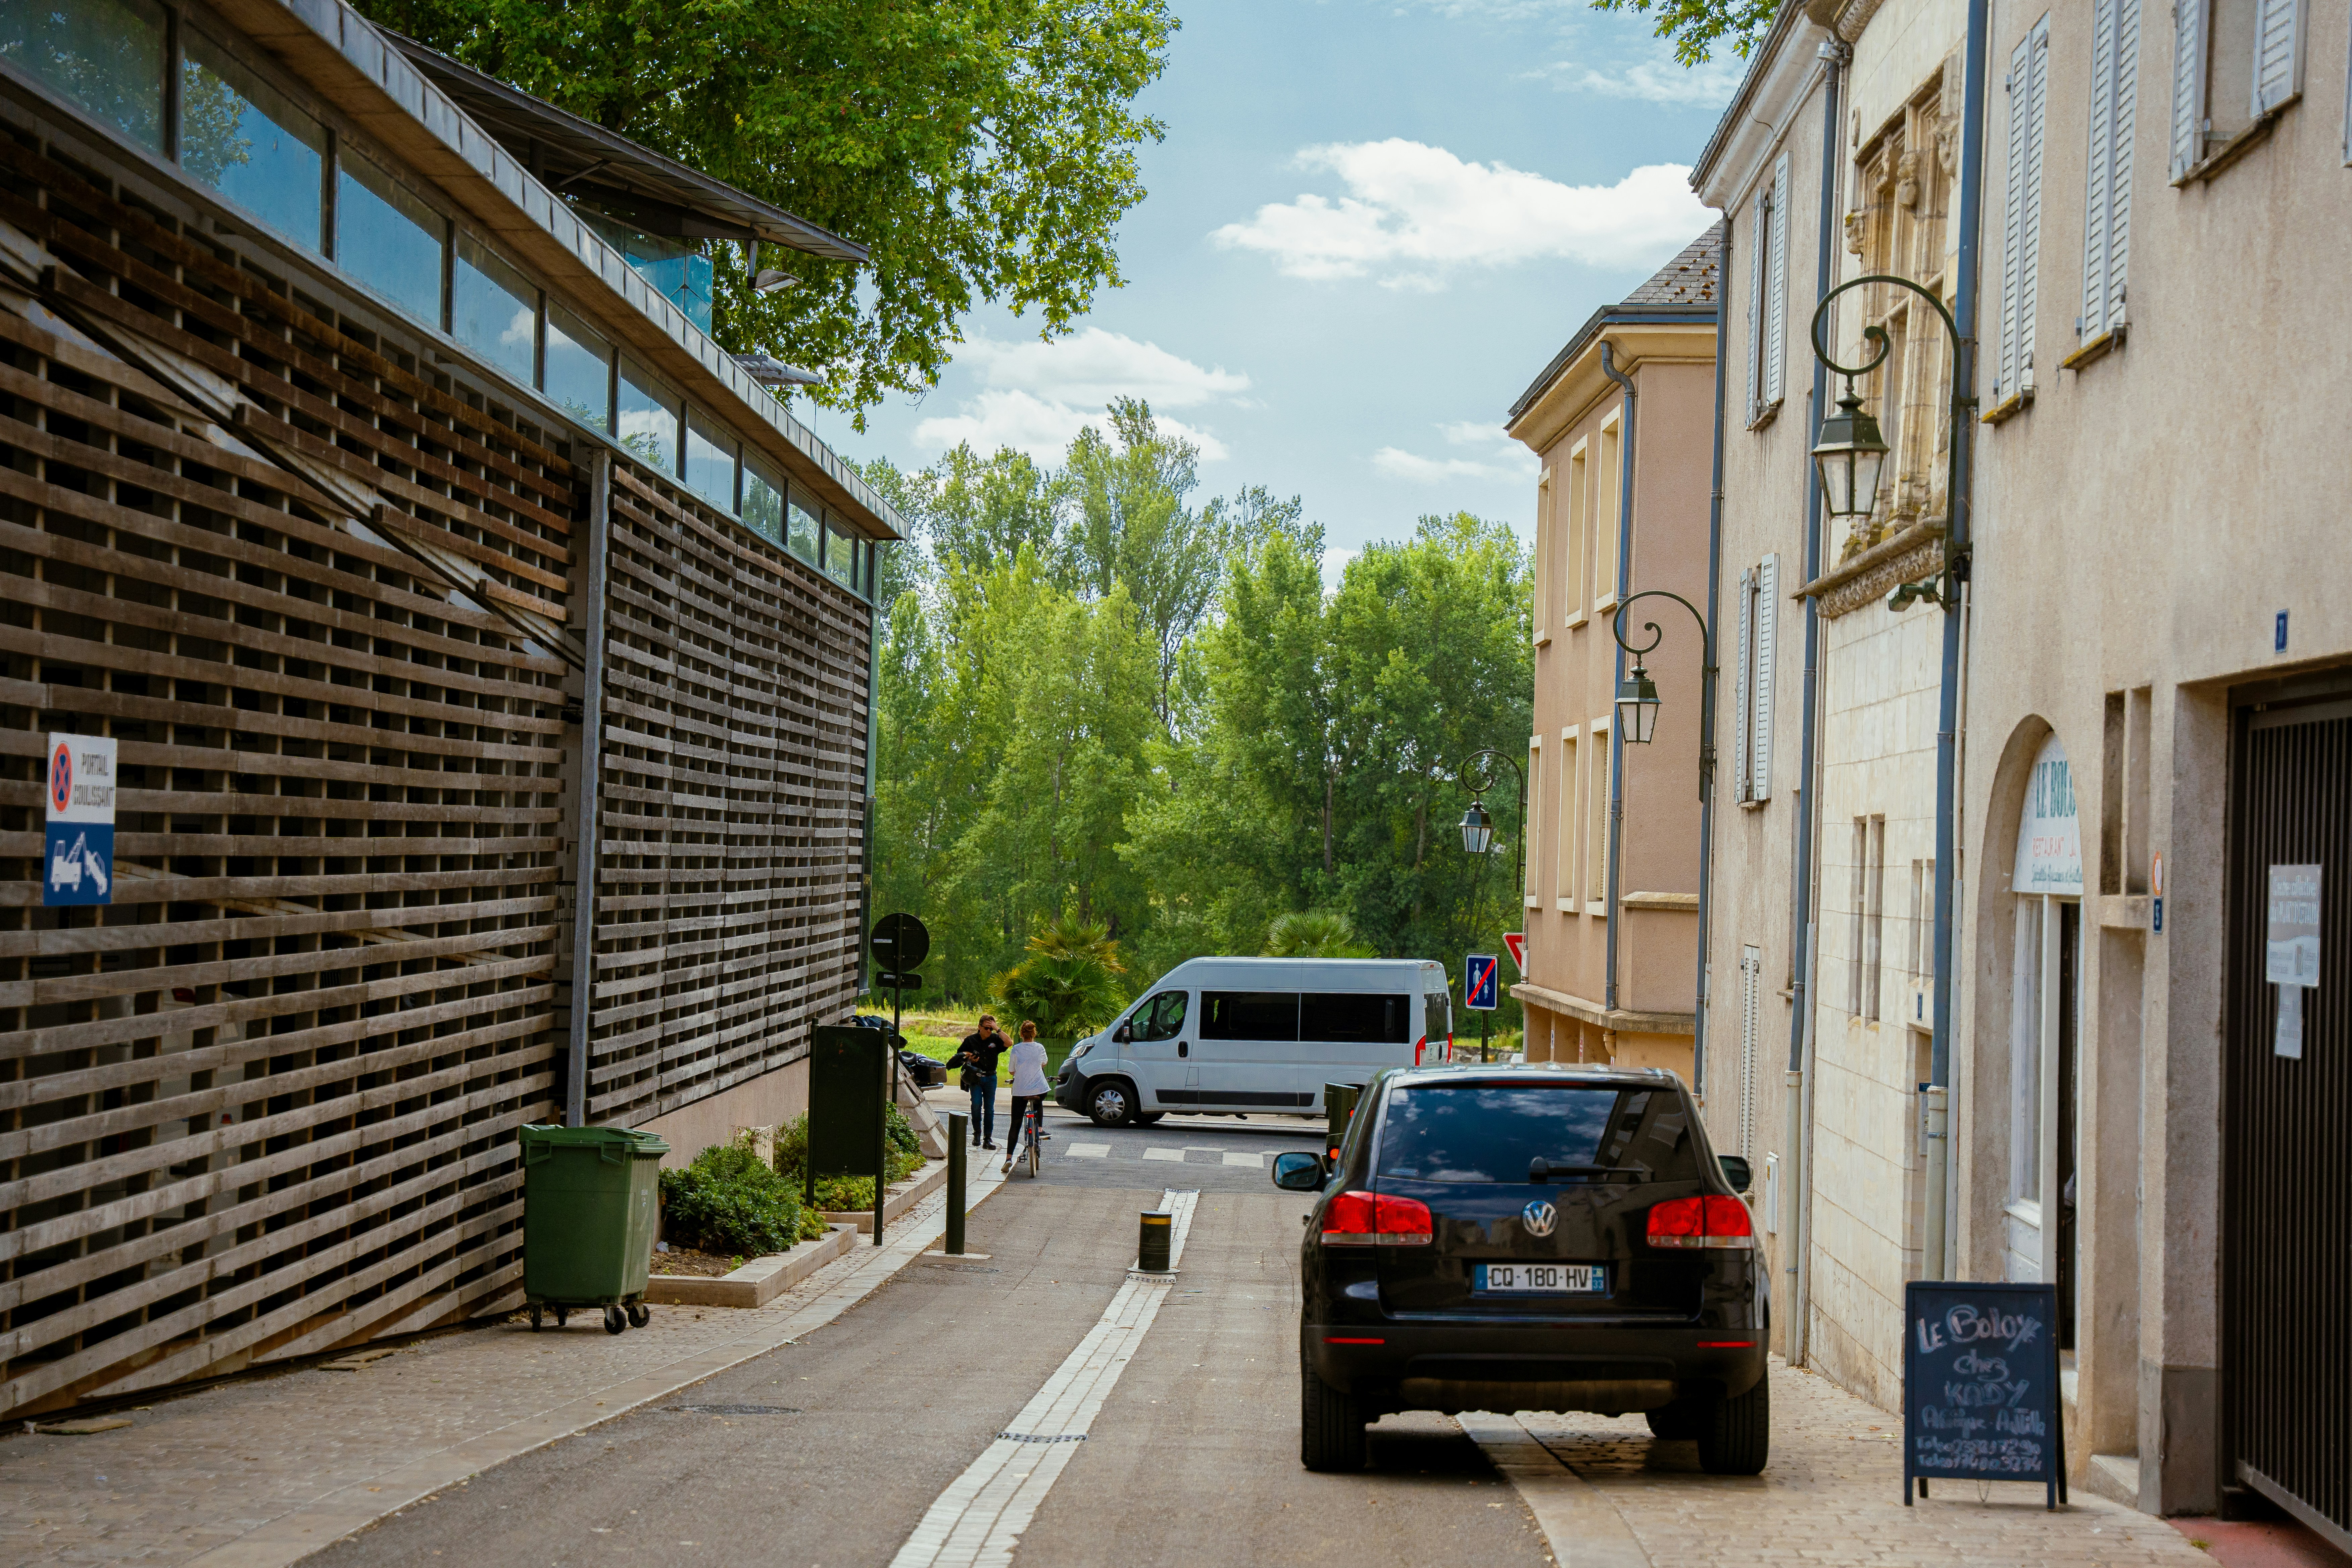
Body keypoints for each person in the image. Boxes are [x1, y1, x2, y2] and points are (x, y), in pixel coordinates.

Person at [946, 1015, 1009, 1150]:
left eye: (991, 1029)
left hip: (991, 1078)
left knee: (990, 1109)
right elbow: (960, 1057)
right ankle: (977, 1134)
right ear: (980, 1027)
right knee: (976, 1105)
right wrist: (971, 1060)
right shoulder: (970, 1040)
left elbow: (1009, 1043)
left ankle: (988, 1139)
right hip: (976, 1078)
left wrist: (997, 1029)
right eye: (987, 1028)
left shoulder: (996, 1039)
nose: (989, 1031)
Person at [1004, 1020, 1051, 1174]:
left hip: (1020, 1092)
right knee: (1039, 1101)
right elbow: (1044, 1063)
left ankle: (1009, 1159)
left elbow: (1012, 1071)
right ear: (1034, 1034)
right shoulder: (1040, 1048)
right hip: (1039, 1089)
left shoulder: (1016, 1049)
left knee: (1016, 1124)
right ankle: (1040, 1128)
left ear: (1022, 1034)